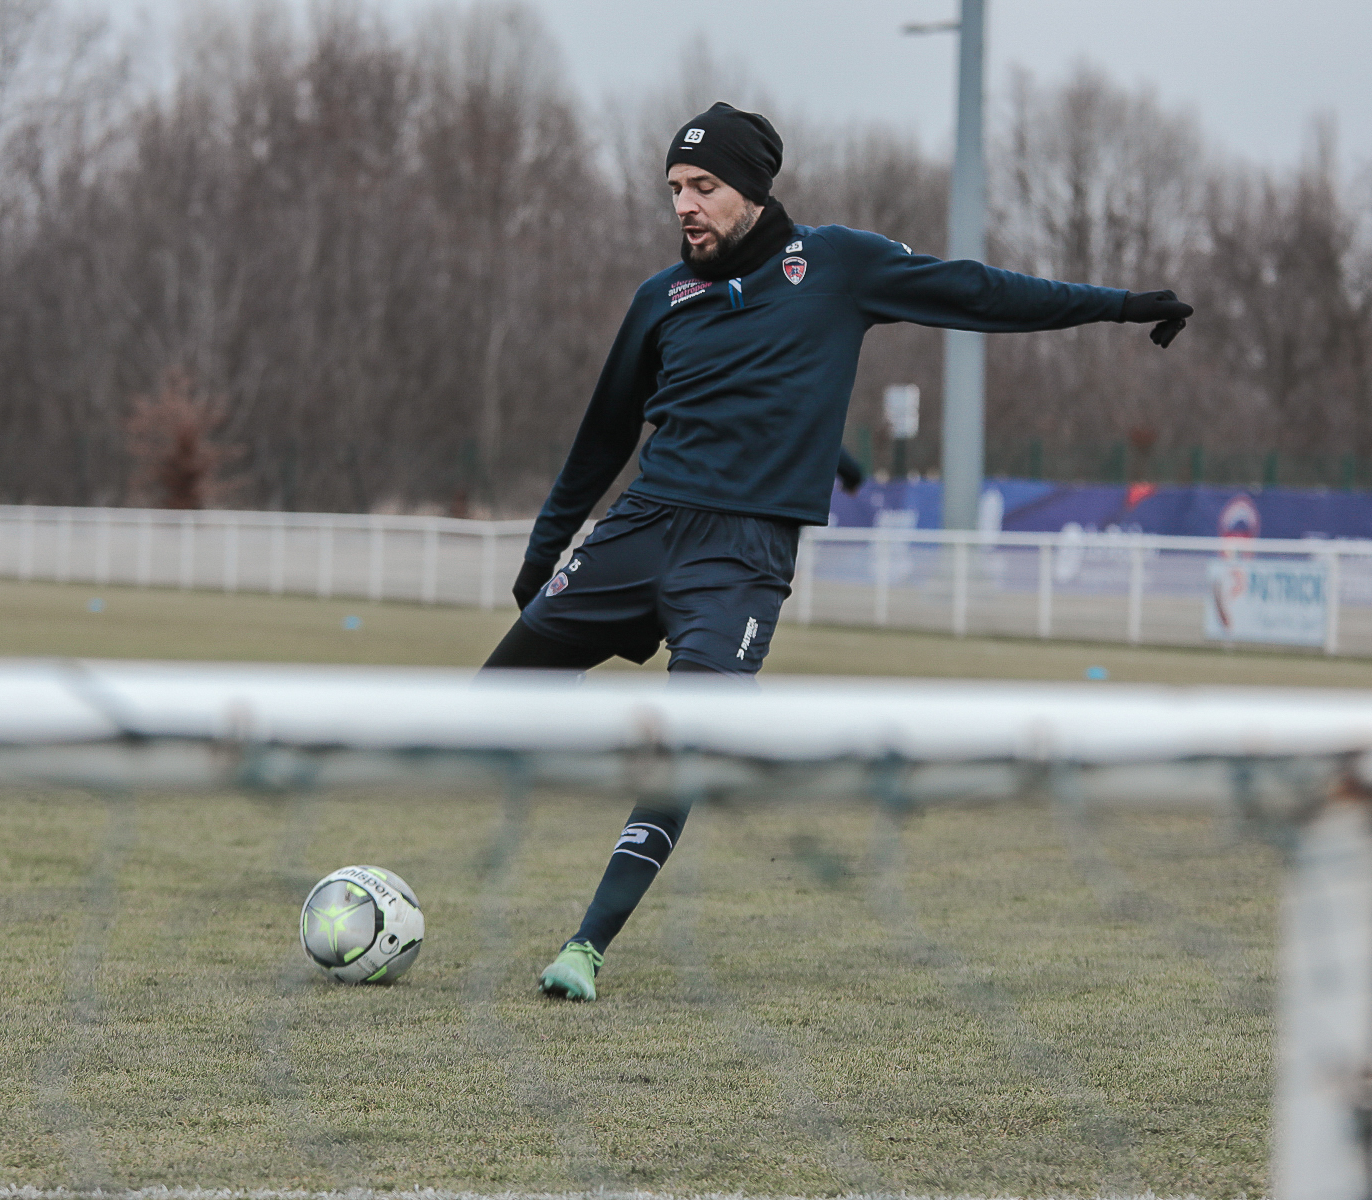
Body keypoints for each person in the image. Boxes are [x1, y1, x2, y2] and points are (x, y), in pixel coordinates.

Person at [478, 101, 1193, 1001]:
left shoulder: (840, 265)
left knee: (690, 744)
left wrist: (1122, 308)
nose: (685, 206)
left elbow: (980, 291)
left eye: (703, 187)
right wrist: (544, 553)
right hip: (638, 529)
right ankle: (387, 889)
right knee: (481, 712)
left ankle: (585, 946)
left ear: (751, 188)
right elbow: (602, 438)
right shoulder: (660, 300)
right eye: (674, 189)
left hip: (740, 562)